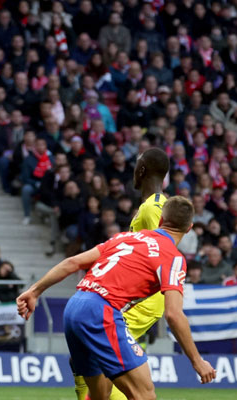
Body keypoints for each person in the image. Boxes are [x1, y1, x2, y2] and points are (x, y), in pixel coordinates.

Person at [17, 197, 216, 399]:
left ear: (160, 221)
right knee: (144, 395)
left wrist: (34, 291)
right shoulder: (173, 257)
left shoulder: (124, 238)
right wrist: (197, 361)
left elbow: (72, 262)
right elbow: (173, 314)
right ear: (189, 228)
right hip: (100, 313)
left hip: (75, 306)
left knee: (99, 396)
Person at [71, 147, 170, 400]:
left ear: (143, 170)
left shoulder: (153, 208)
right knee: (86, 357)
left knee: (96, 358)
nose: (133, 170)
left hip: (142, 300)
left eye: (136, 165)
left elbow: (166, 254)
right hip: (136, 298)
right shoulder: (150, 206)